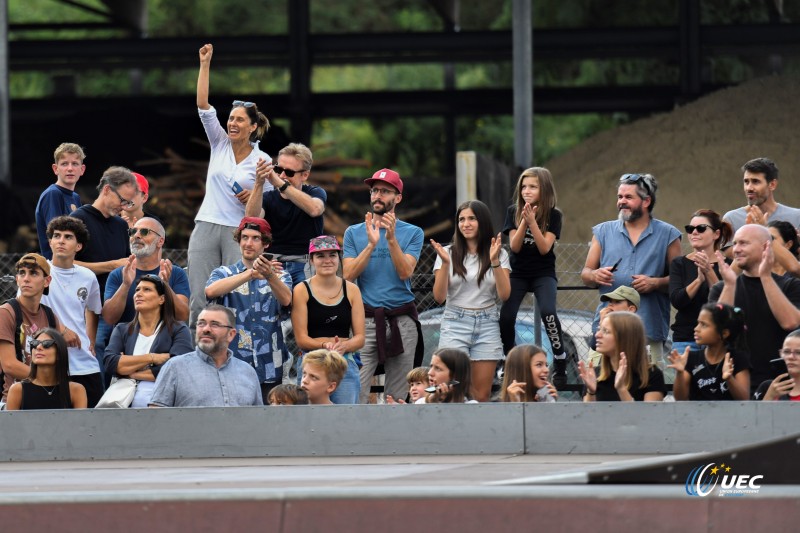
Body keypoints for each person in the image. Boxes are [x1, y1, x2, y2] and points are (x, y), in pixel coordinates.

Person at [188, 43, 273, 330]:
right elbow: (203, 105)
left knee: (237, 294)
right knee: (200, 294)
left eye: (239, 120)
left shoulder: (263, 159)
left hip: (240, 232)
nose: (232, 123)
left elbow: (260, 211)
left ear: (252, 127)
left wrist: (256, 192)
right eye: (231, 118)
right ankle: (196, 354)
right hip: (207, 223)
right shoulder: (219, 143)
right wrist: (205, 64)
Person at [581, 173, 681, 364]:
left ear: (646, 201)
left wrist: (656, 283)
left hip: (648, 330)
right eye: (620, 197)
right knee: (600, 388)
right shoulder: (602, 232)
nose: (622, 202)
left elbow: (679, 280)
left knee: (648, 386)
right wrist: (595, 275)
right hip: (606, 329)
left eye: (628, 197)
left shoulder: (669, 234)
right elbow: (585, 274)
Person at [343, 168, 424, 404]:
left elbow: (405, 272)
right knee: (354, 391)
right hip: (365, 320)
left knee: (396, 397)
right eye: (375, 190)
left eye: (385, 191)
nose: (378, 195)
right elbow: (348, 274)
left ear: (397, 198)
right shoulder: (353, 232)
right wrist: (370, 245)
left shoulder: (413, 232)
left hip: (402, 320)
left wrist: (390, 239)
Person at [430, 200, 510, 402]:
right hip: (455, 321)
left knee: (480, 395)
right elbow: (439, 297)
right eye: (461, 219)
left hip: (488, 323)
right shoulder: (447, 253)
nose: (465, 224)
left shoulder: (499, 253)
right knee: (451, 389)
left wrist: (494, 262)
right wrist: (446, 264)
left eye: (471, 218)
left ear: (482, 221)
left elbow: (505, 295)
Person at [205, 217, 292, 401]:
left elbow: (286, 299)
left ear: (265, 244)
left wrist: (269, 276)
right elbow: (211, 290)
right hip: (232, 364)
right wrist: (250, 275)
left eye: (255, 238)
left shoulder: (280, 274)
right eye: (244, 237)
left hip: (269, 364)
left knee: (269, 423)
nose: (248, 243)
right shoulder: (223, 273)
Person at [709, 224, 800, 392]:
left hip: (779, 384)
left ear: (766, 246)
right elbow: (715, 333)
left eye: (743, 243)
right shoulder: (722, 288)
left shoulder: (791, 286)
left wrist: (765, 277)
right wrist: (729, 284)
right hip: (733, 382)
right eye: (735, 243)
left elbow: (790, 323)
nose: (736, 249)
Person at [499, 167, 568, 386]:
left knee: (548, 312)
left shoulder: (554, 215)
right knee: (507, 316)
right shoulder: (513, 211)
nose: (526, 191)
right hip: (518, 273)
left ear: (544, 189)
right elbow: (515, 247)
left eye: (533, 187)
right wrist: (523, 222)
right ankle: (508, 360)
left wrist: (533, 223)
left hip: (543, 273)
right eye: (524, 187)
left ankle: (560, 360)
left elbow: (544, 248)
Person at [291, 235, 365, 404]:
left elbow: (360, 338)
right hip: (311, 364)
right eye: (320, 256)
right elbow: (302, 339)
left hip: (343, 362)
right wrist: (326, 345)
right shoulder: (301, 290)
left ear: (339, 258)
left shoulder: (352, 290)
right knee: (308, 420)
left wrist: (343, 346)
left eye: (332, 255)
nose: (327, 260)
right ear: (311, 260)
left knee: (345, 419)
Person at [101, 217, 190, 355]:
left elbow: (182, 315)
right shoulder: (118, 275)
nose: (136, 235)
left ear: (160, 241)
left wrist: (165, 285)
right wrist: (125, 285)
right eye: (133, 231)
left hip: (163, 349)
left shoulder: (175, 273)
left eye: (144, 231)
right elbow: (109, 318)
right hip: (126, 350)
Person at [42, 216, 104, 407]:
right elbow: (28, 309)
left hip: (84, 363)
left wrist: (90, 339)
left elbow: (93, 309)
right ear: (50, 241)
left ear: (78, 246)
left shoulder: (88, 276)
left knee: (92, 425)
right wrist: (60, 329)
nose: (60, 240)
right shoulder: (37, 271)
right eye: (56, 236)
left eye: (68, 237)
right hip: (48, 362)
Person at [104, 275, 193, 408]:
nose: (139, 294)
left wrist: (131, 372)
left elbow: (179, 367)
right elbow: (110, 363)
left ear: (161, 299)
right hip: (123, 406)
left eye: (147, 290)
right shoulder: (122, 329)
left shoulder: (178, 329)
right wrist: (152, 358)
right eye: (137, 290)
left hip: (162, 406)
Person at [149, 305, 262, 407]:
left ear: (231, 334)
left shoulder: (248, 372)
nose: (206, 329)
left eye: (215, 324)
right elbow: (155, 417)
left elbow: (258, 420)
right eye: (201, 323)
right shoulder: (174, 367)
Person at [246, 143, 326, 285]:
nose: (282, 175)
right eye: (278, 169)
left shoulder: (315, 192)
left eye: (289, 172)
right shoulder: (268, 197)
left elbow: (315, 209)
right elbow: (252, 220)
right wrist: (258, 183)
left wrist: (281, 184)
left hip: (305, 262)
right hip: (272, 262)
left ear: (305, 175)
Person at [0, 254, 70, 402]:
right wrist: (45, 379)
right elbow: (9, 365)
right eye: (21, 273)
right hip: (12, 399)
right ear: (17, 279)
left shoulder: (50, 316)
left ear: (47, 281)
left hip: (45, 395)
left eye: (33, 273)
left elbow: (57, 361)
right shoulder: (6, 312)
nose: (26, 278)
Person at [669, 209, 732, 355]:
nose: (694, 232)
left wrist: (709, 273)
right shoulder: (679, 263)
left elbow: (725, 303)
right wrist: (698, 280)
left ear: (716, 234)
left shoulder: (727, 264)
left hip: (719, 339)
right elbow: (677, 301)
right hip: (686, 339)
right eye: (690, 229)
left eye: (701, 228)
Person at [70, 166, 137, 296]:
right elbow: (66, 265)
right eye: (122, 200)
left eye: (128, 203)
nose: (124, 207)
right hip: (85, 303)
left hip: (117, 303)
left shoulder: (121, 225)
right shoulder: (77, 219)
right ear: (106, 189)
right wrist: (112, 265)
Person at [578, 311, 666, 402]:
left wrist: (621, 389)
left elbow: (648, 415)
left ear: (624, 338)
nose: (597, 335)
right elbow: (588, 415)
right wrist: (591, 392)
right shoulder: (596, 374)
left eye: (605, 331)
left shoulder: (651, 375)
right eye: (599, 329)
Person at [669, 303, 750, 401]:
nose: (696, 329)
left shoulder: (737, 358)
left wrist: (729, 379)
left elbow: (744, 399)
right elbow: (680, 398)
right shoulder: (691, 358)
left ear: (724, 333)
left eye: (704, 325)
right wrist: (680, 373)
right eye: (698, 323)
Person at [5, 329, 87, 410]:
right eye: (34, 343)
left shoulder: (76, 390)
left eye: (47, 344)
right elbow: (11, 423)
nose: (38, 347)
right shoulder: (17, 390)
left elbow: (81, 423)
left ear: (59, 353)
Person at [723, 157, 800, 234]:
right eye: (746, 182)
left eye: (755, 181)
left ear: (772, 185)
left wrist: (763, 231)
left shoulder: (796, 217)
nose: (749, 188)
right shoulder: (732, 219)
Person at [36, 143, 86, 259]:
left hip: (72, 264)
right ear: (55, 169)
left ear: (82, 169)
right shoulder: (53, 194)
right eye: (64, 164)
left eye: (75, 164)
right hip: (57, 267)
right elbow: (57, 237)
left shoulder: (75, 197)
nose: (70, 168)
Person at [754, 329, 800, 401]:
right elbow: (752, 411)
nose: (791, 357)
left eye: (798, 352)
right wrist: (769, 396)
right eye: (786, 352)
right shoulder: (767, 387)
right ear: (780, 353)